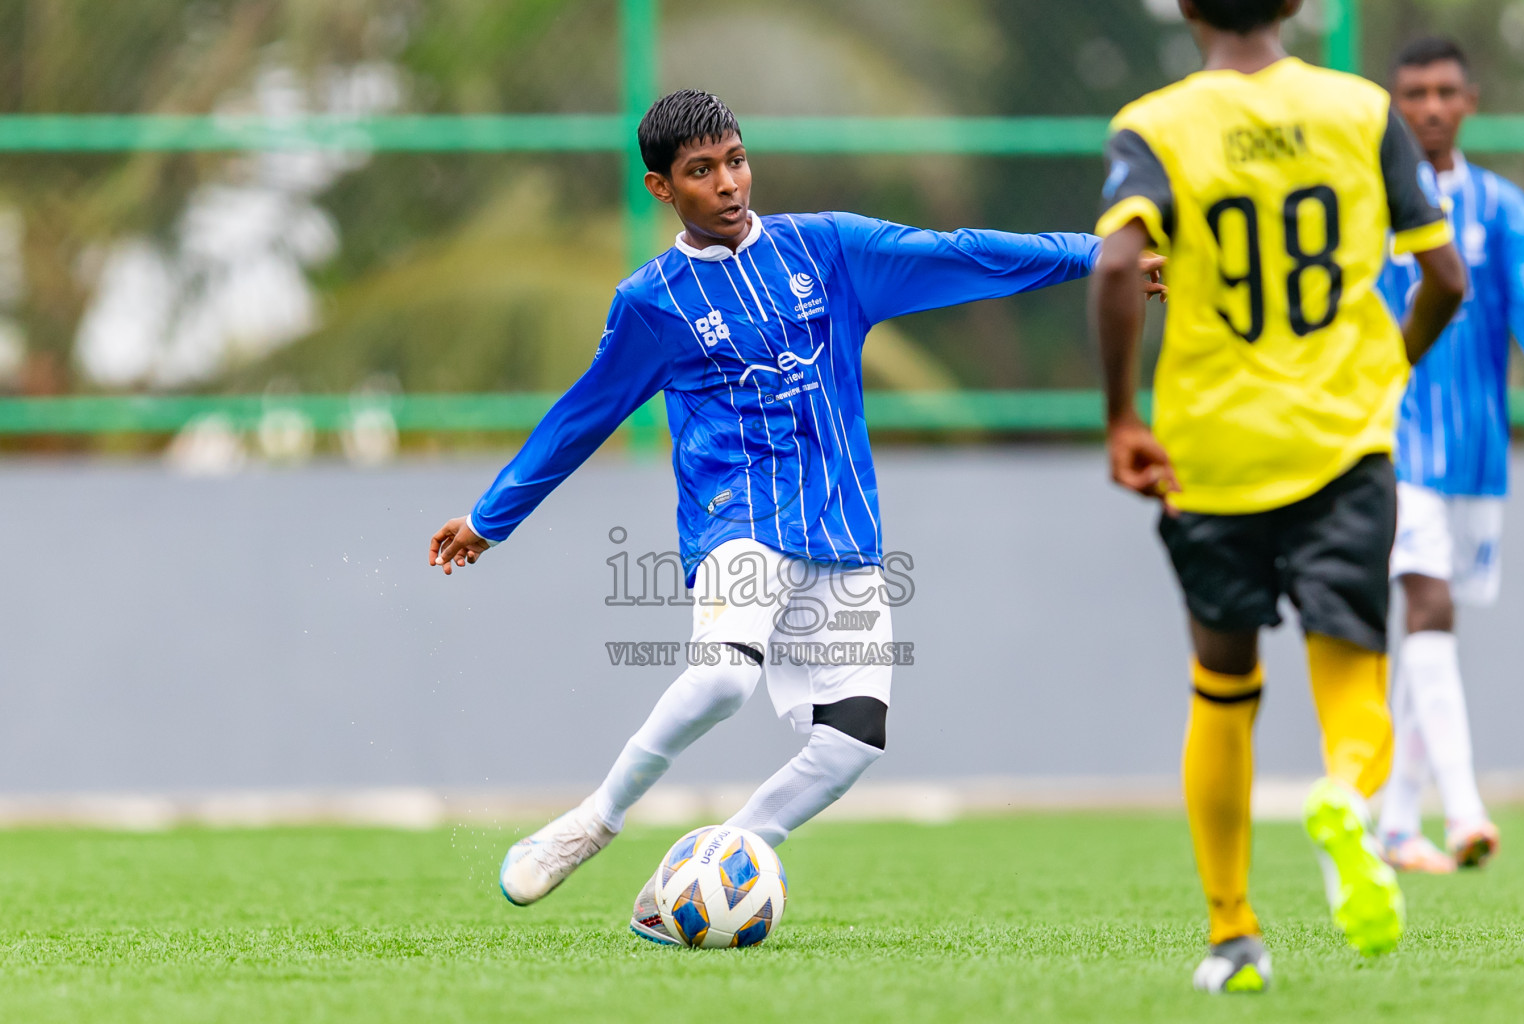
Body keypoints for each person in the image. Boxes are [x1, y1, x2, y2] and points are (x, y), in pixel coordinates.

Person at [427, 89, 1164, 944]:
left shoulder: (829, 249)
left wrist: (1092, 254)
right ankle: (594, 821)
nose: (728, 183)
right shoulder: (651, 304)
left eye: (735, 160)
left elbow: (964, 253)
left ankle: (714, 869)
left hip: (844, 533)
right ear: (662, 189)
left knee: (851, 744)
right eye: (701, 172)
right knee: (722, 677)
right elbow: (581, 416)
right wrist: (491, 517)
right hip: (737, 518)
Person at [1089, 0, 1464, 994]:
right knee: (1352, 662)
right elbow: (1446, 278)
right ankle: (1345, 790)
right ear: (1297, 5)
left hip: (1211, 450)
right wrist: (1389, 368)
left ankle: (1233, 934)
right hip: (1342, 439)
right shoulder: (1362, 108)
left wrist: (1124, 416)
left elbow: (1119, 264)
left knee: (1222, 679)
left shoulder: (1155, 124)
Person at [1375, 37, 1522, 875]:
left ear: (1468, 102)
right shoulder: (1367, 206)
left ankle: (1397, 823)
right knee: (1428, 607)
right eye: (1414, 94)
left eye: (1444, 93)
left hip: (1478, 456)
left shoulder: (1503, 209)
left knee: (1433, 630)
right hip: (1396, 447)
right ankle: (1464, 809)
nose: (1429, 108)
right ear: (1395, 107)